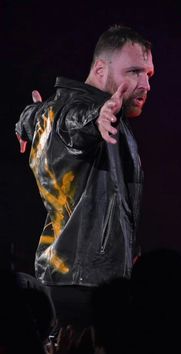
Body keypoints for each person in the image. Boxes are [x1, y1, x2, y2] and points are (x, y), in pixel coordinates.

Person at [15, 24, 154, 333]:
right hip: (84, 288)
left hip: (70, 277)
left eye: (148, 74)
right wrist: (98, 117)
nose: (145, 84)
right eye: (134, 72)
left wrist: (27, 119)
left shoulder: (51, 109)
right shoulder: (84, 110)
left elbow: (41, 117)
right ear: (101, 68)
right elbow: (75, 123)